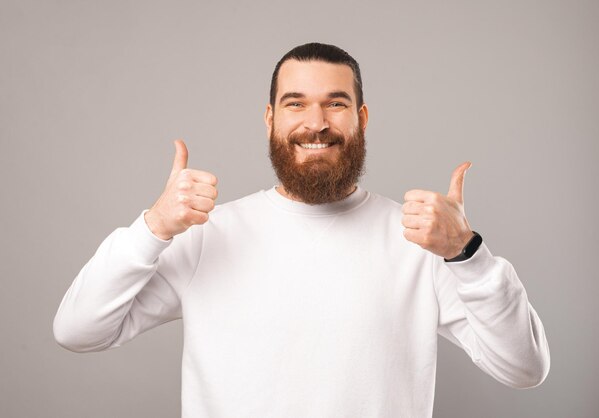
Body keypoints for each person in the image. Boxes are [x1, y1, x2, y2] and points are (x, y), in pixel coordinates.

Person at [54, 42, 550, 418]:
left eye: (335, 103)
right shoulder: (208, 235)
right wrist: (154, 227)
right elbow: (78, 331)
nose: (316, 123)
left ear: (361, 118)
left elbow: (524, 369)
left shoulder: (421, 244)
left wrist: (467, 253)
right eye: (295, 104)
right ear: (270, 118)